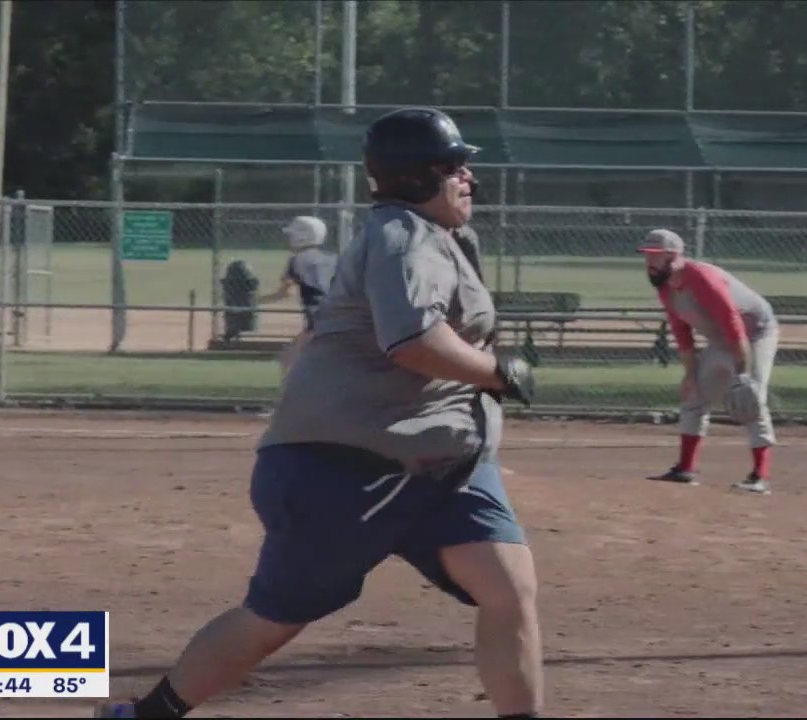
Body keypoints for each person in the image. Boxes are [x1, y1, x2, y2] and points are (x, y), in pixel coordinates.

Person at [94, 107, 543, 719]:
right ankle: (148, 715)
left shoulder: (438, 238)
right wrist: (499, 373)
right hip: (352, 468)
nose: (468, 178)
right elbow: (411, 341)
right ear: (415, 179)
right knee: (274, 619)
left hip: (438, 462)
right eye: (452, 167)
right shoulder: (402, 237)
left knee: (510, 589)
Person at [641, 229, 780, 495]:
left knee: (750, 397)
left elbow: (734, 324)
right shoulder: (665, 285)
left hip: (755, 334)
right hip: (721, 338)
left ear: (673, 256)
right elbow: (682, 335)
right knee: (694, 396)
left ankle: (760, 476)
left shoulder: (703, 279)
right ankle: (685, 469)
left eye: (655, 255)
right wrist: (691, 375)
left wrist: (741, 374)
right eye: (646, 255)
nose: (649, 262)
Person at [256, 215, 337, 380]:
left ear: (303, 236)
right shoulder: (333, 258)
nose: (289, 239)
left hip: (318, 320)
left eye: (292, 235)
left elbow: (285, 293)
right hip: (341, 316)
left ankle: (290, 403)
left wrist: (255, 300)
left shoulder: (297, 260)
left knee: (288, 359)